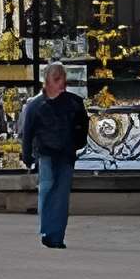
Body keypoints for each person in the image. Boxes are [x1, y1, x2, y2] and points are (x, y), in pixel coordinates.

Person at [18, 62, 91, 248]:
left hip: (66, 154)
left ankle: (56, 236)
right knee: (48, 190)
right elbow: (28, 132)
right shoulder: (36, 105)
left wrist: (78, 143)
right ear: (47, 81)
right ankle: (48, 231)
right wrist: (27, 155)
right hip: (46, 154)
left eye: (62, 79)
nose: (61, 83)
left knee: (60, 195)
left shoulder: (73, 103)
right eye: (57, 79)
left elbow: (83, 125)